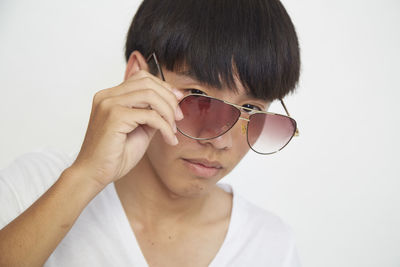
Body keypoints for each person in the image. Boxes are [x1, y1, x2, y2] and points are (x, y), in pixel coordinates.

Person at [0, 0, 301, 266]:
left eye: (250, 109)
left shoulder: (271, 246)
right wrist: (86, 176)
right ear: (139, 77)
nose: (221, 140)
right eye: (198, 97)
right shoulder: (34, 187)